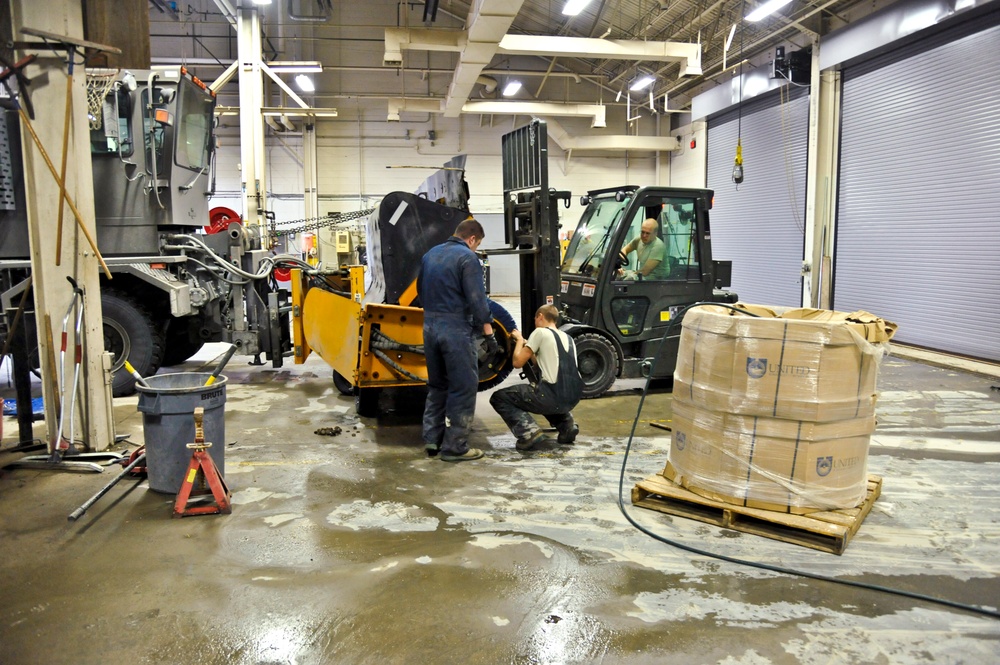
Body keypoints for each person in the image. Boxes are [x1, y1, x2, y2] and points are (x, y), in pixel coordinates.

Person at [417, 219, 497, 462]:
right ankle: (455, 447)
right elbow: (477, 300)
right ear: (472, 239)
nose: (475, 248)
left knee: (438, 385)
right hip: (454, 329)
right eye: (477, 244)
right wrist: (489, 333)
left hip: (430, 327)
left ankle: (432, 439)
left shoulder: (430, 255)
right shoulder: (467, 258)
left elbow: (420, 292)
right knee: (463, 386)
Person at [489, 304, 583, 451]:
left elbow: (517, 363)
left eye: (535, 318)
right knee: (543, 391)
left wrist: (519, 340)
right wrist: (529, 348)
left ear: (540, 316)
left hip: (551, 395)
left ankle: (529, 433)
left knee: (499, 397)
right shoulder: (568, 338)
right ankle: (567, 425)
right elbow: (541, 364)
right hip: (574, 396)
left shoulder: (540, 332)